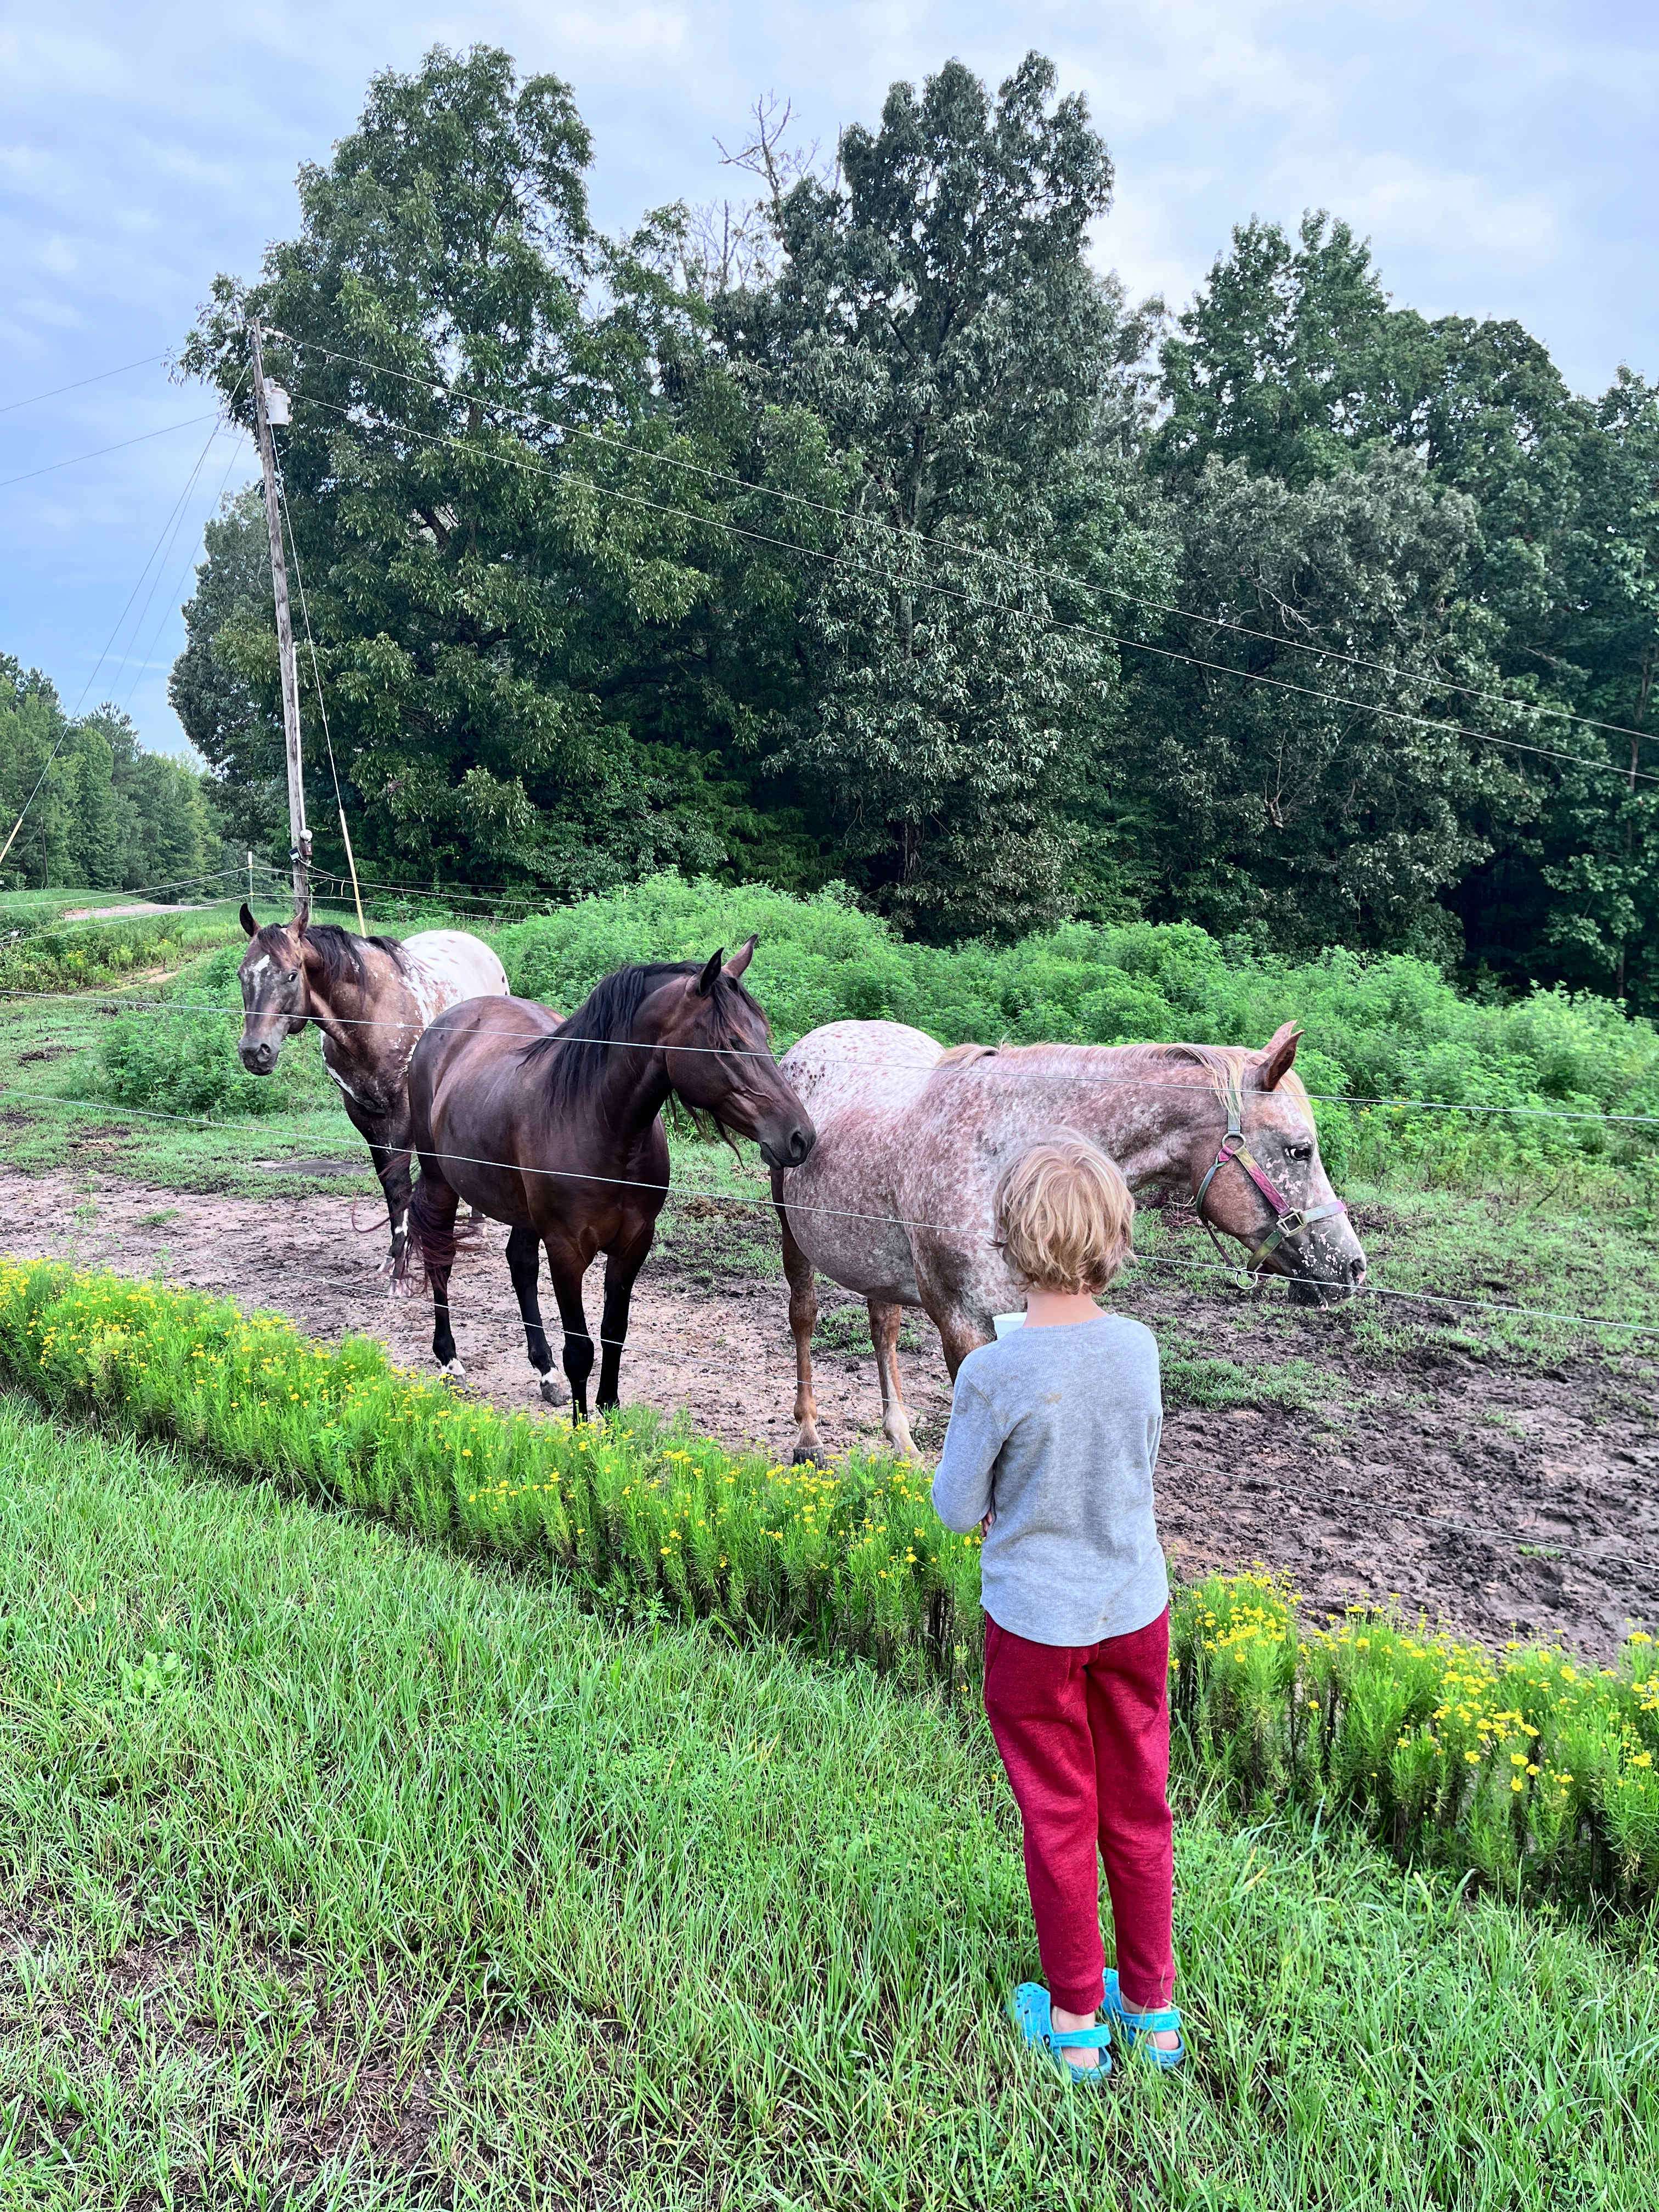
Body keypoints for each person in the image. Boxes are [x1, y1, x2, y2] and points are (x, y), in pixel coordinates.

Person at [932, 1135, 1183, 2084]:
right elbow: (1133, 1464)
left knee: (1059, 1813)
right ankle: (1152, 2012)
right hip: (1134, 1610)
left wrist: (1003, 1498)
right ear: (1117, 1238)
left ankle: (1076, 2022)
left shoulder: (993, 1372)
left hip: (1035, 1628)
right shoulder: (1138, 1348)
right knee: (1140, 1806)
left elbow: (957, 1507)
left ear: (1008, 1242)